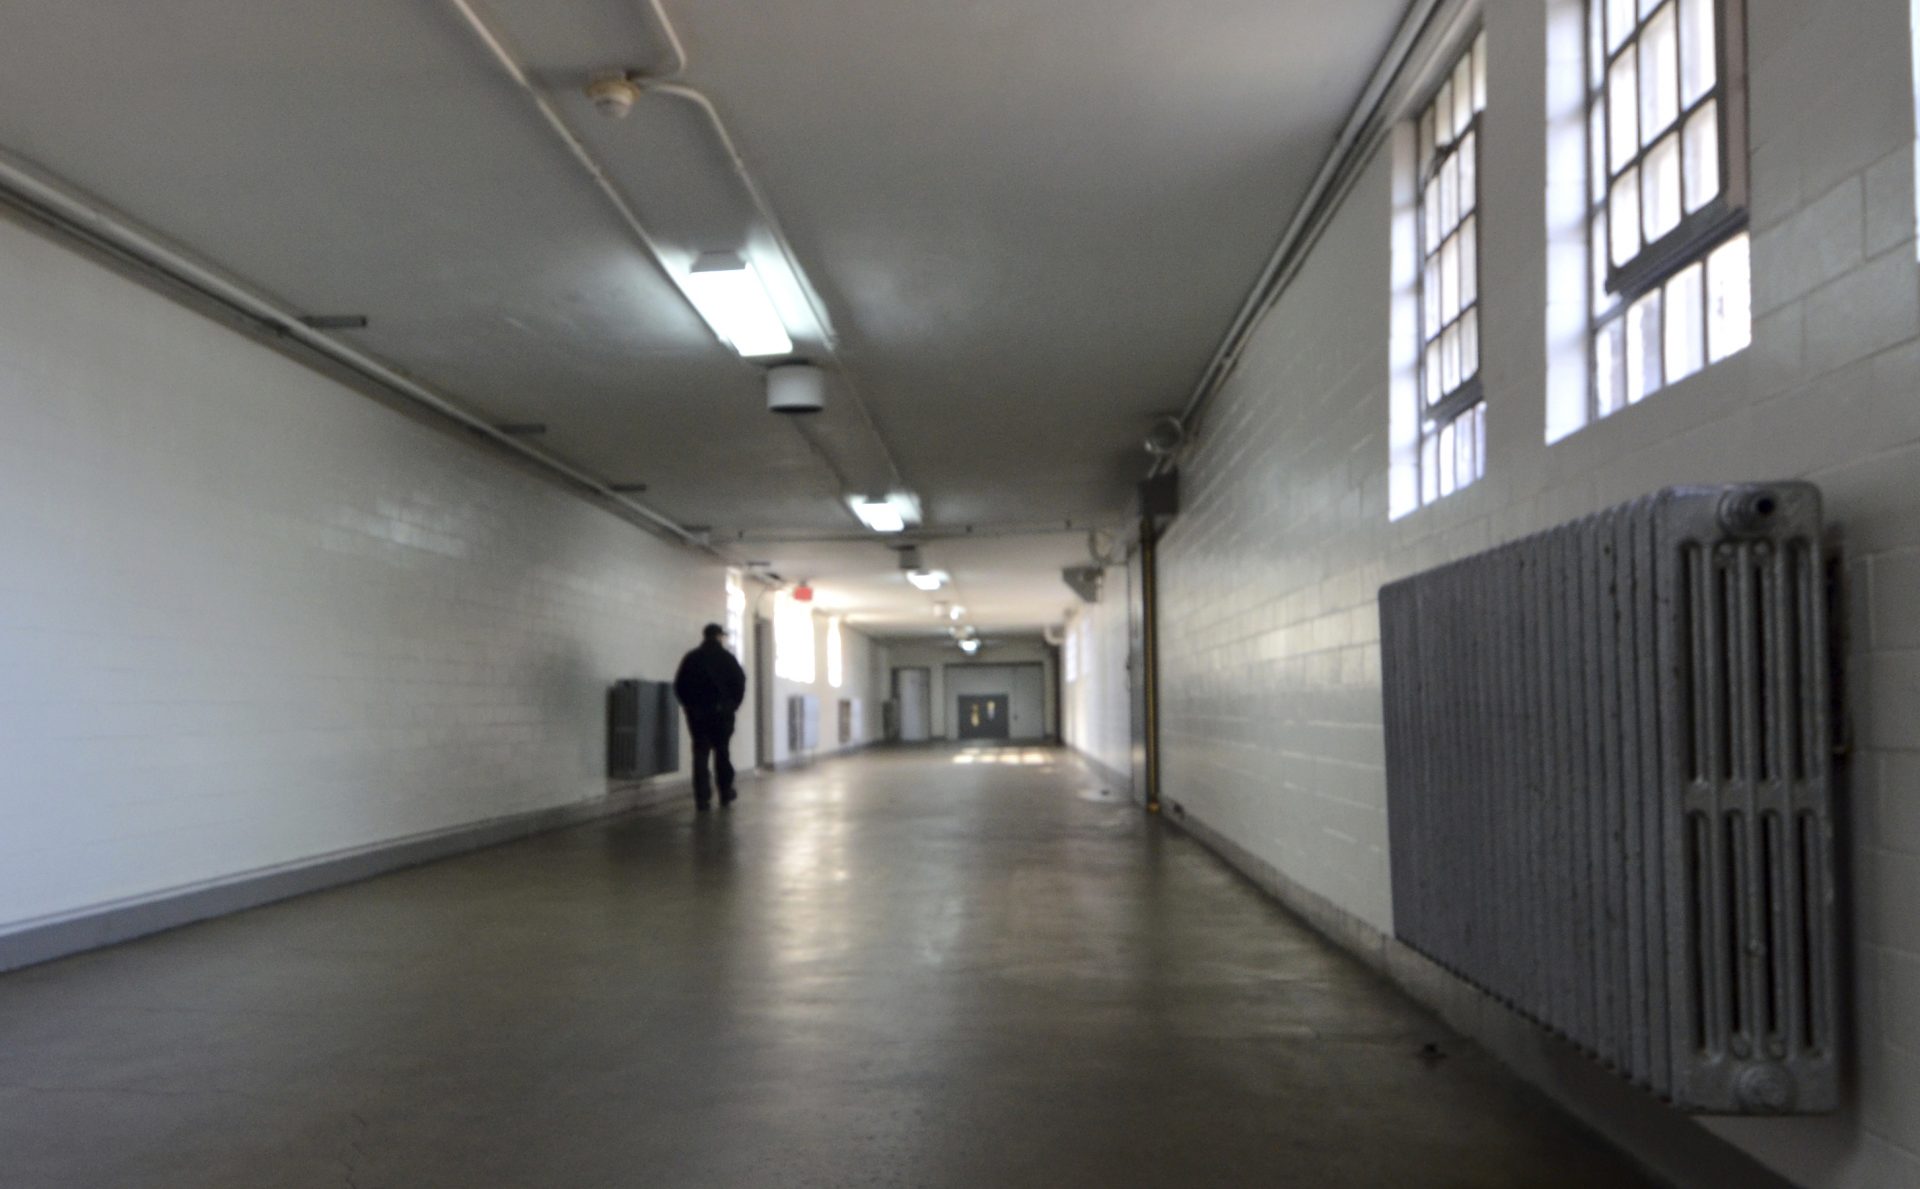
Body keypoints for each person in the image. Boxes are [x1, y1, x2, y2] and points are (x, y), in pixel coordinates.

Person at [672, 622, 747, 810]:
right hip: (722, 714)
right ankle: (725, 792)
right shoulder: (727, 658)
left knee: (700, 754)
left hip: (698, 715)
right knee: (722, 752)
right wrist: (732, 706)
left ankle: (702, 798)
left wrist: (690, 706)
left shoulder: (692, 658)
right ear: (719, 636)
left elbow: (680, 685)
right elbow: (739, 683)